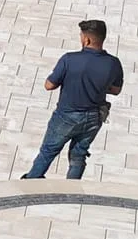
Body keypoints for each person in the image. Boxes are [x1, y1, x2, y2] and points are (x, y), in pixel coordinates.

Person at [23, 19, 123, 180]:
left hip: (66, 116)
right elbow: (116, 90)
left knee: (48, 151)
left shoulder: (69, 59)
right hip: (94, 117)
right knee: (78, 155)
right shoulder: (113, 63)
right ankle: (71, 188)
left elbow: (49, 85)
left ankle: (31, 182)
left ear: (87, 39)